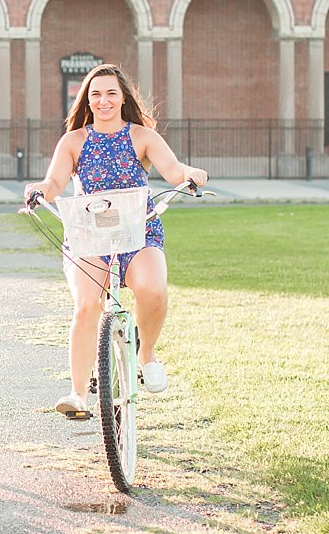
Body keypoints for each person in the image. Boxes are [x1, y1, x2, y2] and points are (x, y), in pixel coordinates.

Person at [23, 63, 207, 418]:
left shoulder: (142, 136)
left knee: (153, 289)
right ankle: (78, 394)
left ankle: (146, 355)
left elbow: (173, 170)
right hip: (89, 235)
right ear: (87, 101)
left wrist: (190, 174)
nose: (103, 100)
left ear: (123, 98)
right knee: (86, 305)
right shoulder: (74, 141)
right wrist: (39, 190)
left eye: (110, 93)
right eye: (95, 94)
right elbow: (55, 183)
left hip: (138, 231)